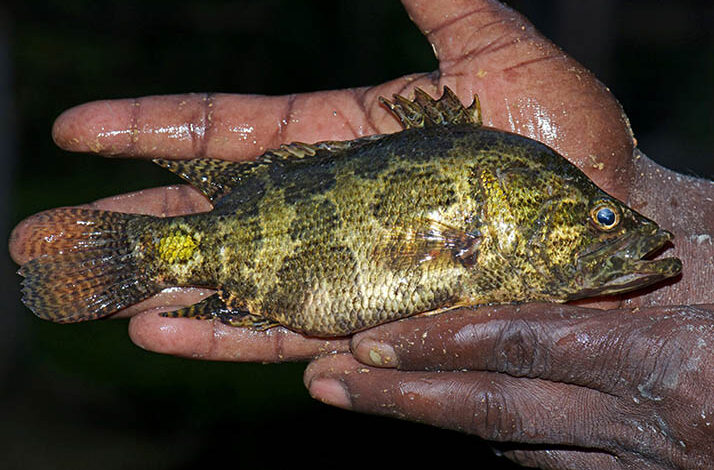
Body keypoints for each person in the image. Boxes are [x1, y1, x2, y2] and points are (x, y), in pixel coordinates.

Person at [9, 0, 713, 468]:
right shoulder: (499, 187)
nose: (618, 232)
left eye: (606, 219)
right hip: (257, 249)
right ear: (511, 215)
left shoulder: (515, 185)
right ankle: (154, 251)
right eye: (603, 217)